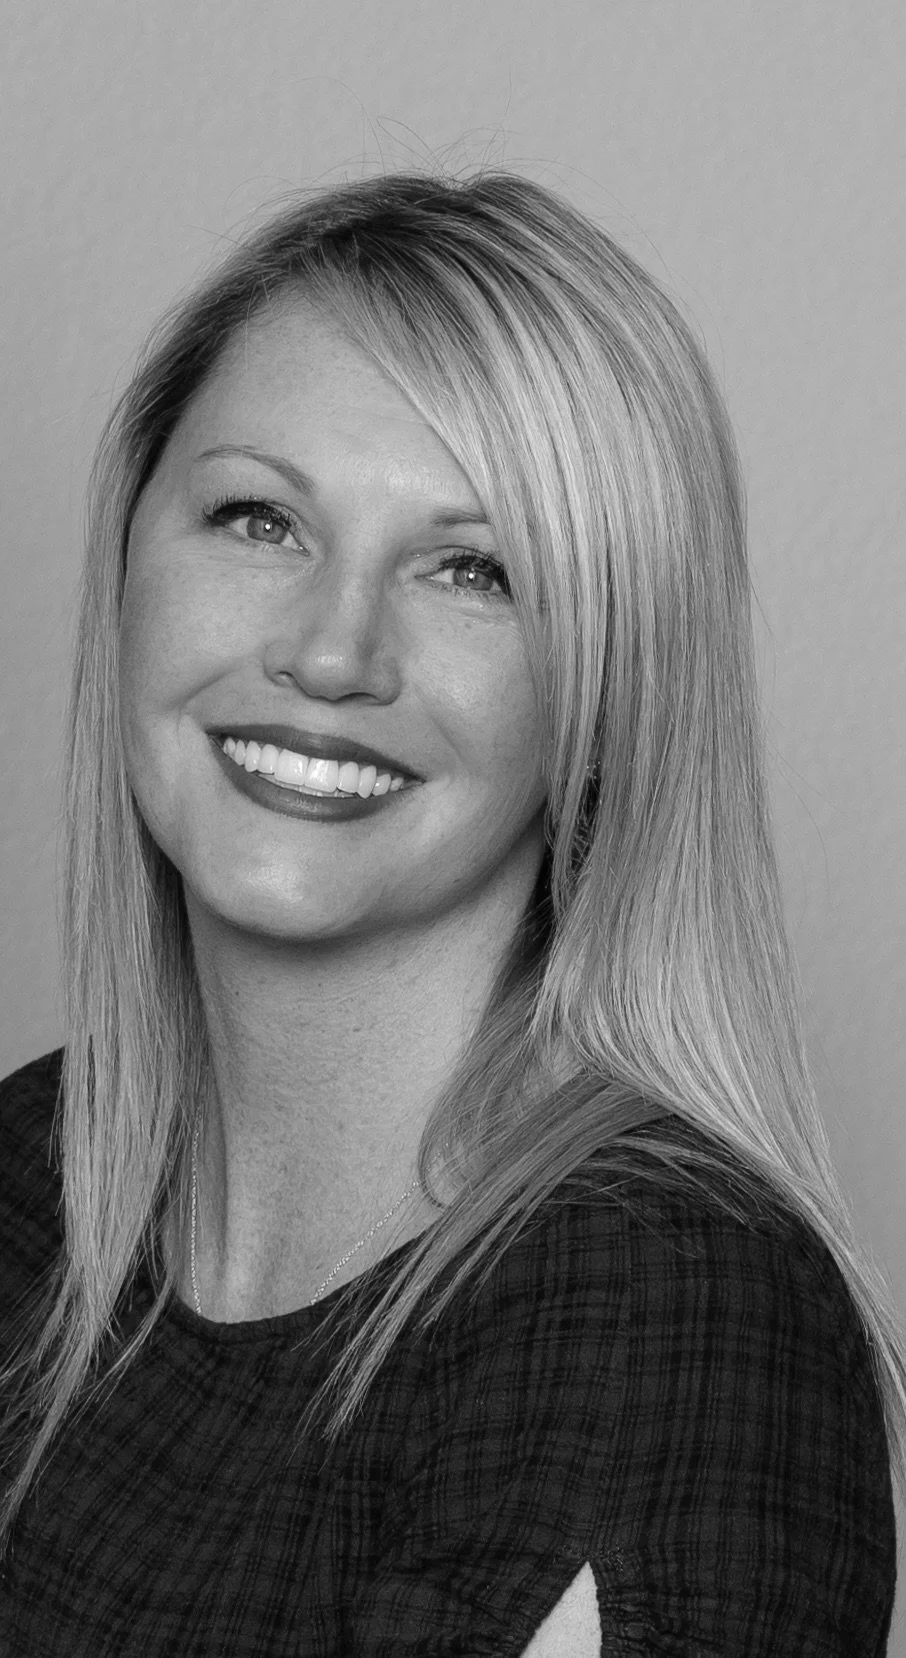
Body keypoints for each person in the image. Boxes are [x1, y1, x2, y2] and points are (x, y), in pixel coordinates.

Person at [0, 167, 900, 1657]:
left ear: (611, 696)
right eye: (257, 519)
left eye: (472, 568)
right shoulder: (33, 1174)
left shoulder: (661, 1318)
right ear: (128, 566)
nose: (332, 649)